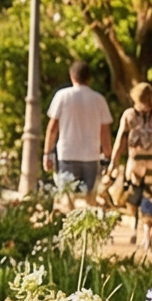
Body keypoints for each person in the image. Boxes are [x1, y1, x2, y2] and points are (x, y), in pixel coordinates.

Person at [43, 62, 112, 203]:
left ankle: (68, 221)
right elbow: (104, 132)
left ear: (72, 76)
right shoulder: (99, 100)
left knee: (67, 196)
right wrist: (108, 156)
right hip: (91, 155)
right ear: (89, 78)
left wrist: (47, 153)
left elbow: (52, 128)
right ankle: (88, 224)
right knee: (89, 196)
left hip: (67, 153)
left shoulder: (62, 96)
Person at [112, 82, 152, 247]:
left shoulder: (128, 115)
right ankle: (146, 235)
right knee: (151, 198)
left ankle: (134, 223)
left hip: (134, 167)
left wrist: (113, 164)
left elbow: (120, 142)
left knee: (132, 198)